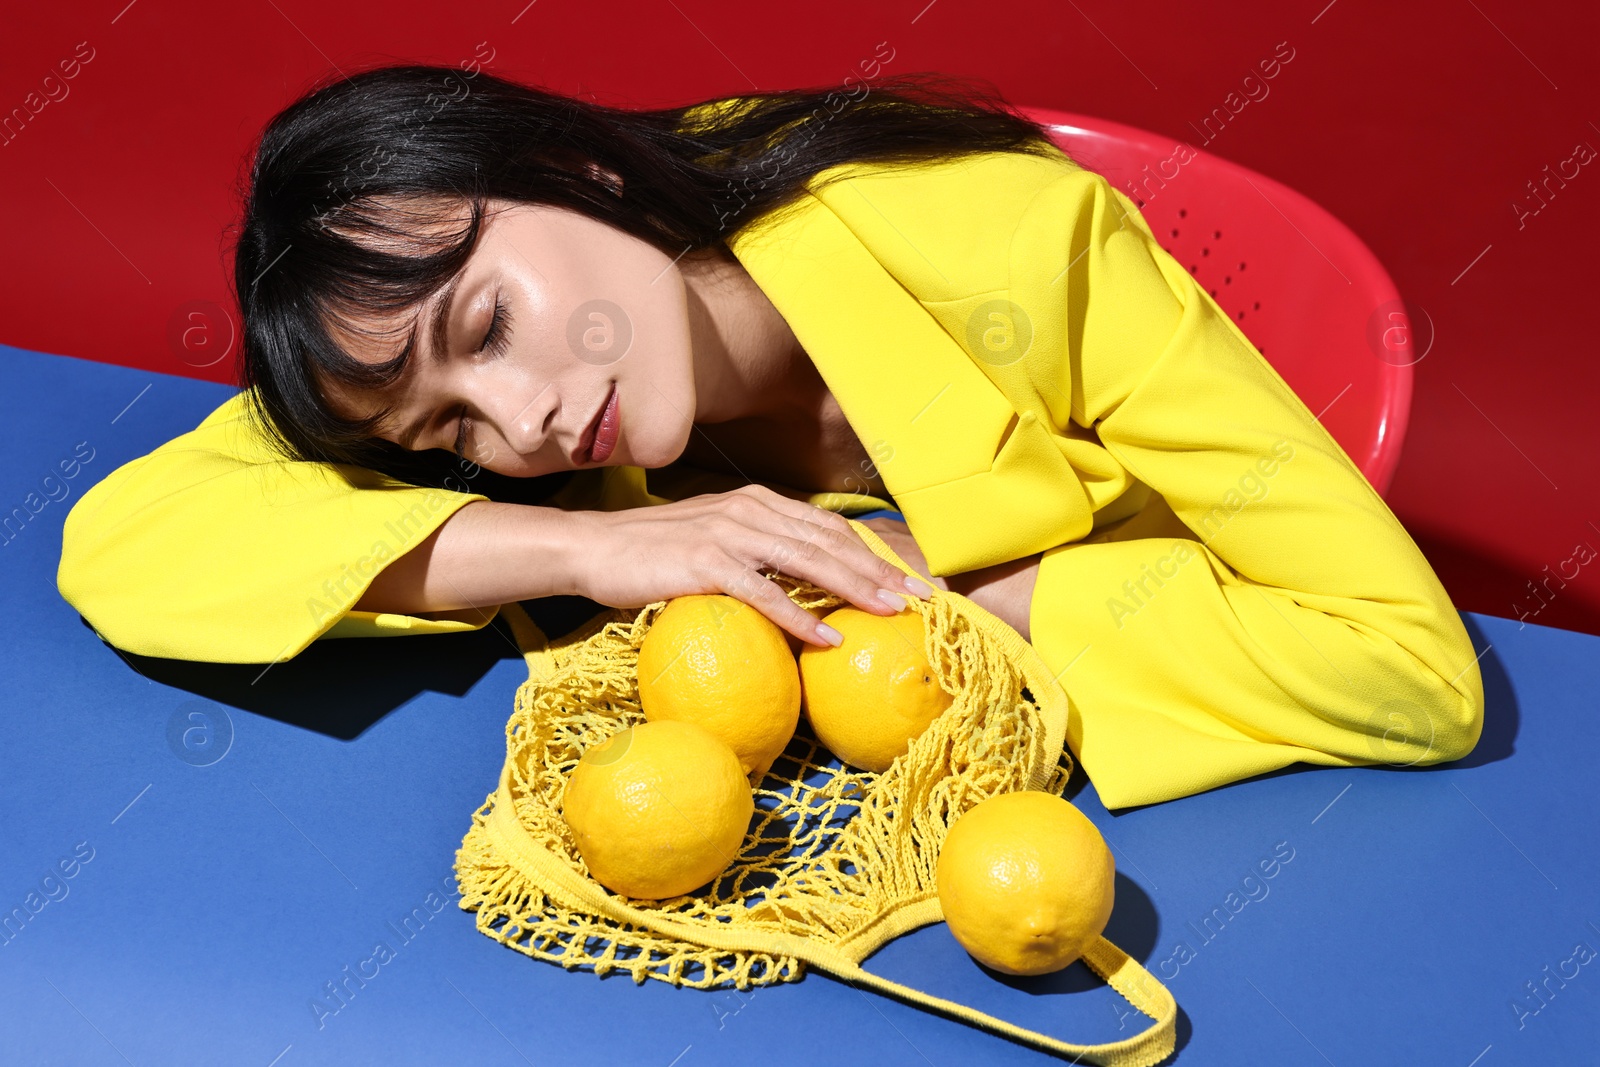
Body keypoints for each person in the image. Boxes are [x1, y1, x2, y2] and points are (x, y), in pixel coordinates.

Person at [57, 64, 1484, 809]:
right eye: (445, 424)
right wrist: (596, 540)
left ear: (580, 167)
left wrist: (983, 599)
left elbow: (1414, 674)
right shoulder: (524, 414)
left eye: (486, 327)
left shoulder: (1019, 248)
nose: (520, 421)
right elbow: (128, 545)